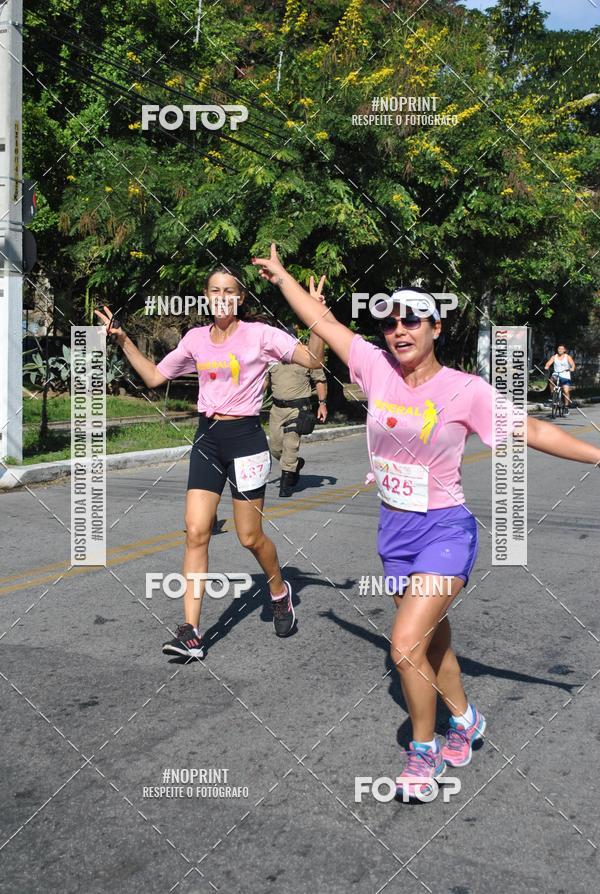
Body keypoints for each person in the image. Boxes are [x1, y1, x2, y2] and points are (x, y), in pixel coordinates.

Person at [252, 244, 600, 798]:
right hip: (395, 533)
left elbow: (532, 429)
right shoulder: (375, 367)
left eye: (412, 320)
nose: (399, 330)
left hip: (445, 530)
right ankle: (465, 719)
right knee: (431, 645)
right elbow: (322, 322)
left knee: (404, 645)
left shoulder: (466, 390)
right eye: (390, 322)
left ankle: (423, 752)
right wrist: (282, 278)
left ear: (436, 327)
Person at [95, 263, 325, 659]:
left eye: (228, 291)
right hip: (207, 439)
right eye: (214, 290)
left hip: (246, 440)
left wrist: (317, 317)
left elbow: (312, 360)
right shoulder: (195, 339)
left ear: (240, 298)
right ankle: (191, 632)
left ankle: (278, 590)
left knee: (249, 536)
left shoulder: (260, 335)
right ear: (206, 296)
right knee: (196, 531)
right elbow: (154, 377)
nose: (221, 297)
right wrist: (124, 340)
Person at [266, 276, 328, 497]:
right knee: (276, 447)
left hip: (298, 408)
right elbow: (264, 382)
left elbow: (319, 379)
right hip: (276, 409)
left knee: (291, 445)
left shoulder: (305, 354)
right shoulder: (271, 356)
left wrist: (322, 403)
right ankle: (294, 465)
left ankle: (286, 486)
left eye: (290, 331)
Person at [544, 344, 576, 415]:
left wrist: (572, 369)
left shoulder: (567, 357)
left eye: (561, 349)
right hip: (556, 374)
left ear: (564, 350)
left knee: (566, 391)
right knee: (551, 379)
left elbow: (573, 365)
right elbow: (548, 363)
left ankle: (566, 407)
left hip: (565, 376)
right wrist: (546, 367)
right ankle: (553, 394)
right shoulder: (554, 357)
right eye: (559, 349)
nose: (560, 350)